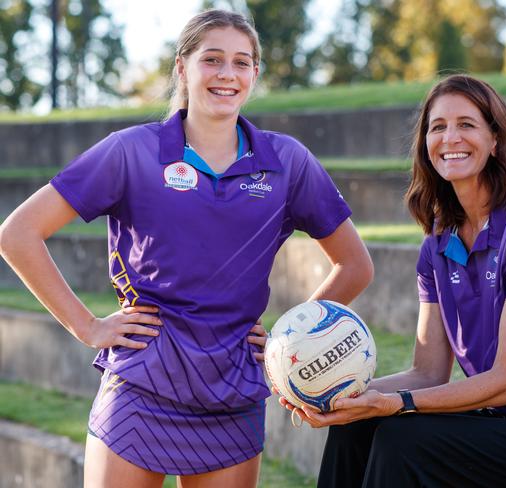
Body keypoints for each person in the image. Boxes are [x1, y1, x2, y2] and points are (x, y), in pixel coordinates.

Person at [0, 9, 373, 488]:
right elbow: (17, 234)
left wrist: (291, 337)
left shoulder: (287, 162)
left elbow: (354, 265)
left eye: (242, 63)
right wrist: (87, 325)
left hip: (233, 389)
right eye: (212, 59)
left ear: (255, 74)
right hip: (141, 382)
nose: (227, 74)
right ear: (183, 66)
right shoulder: (129, 151)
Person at [281, 74, 506, 488]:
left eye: (467, 125)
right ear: (425, 145)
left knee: (404, 439)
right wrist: (338, 397)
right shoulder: (439, 239)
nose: (450, 137)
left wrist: (391, 404)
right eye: (438, 127)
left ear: (496, 139)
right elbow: (428, 372)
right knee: (355, 426)